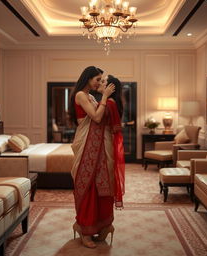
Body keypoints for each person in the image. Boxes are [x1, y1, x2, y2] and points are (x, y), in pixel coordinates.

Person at [69, 66, 125, 248]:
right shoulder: (80, 95)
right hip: (87, 146)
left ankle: (102, 225)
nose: (100, 83)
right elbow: (96, 117)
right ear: (88, 78)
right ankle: (84, 230)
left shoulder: (92, 97)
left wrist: (105, 98)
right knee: (86, 185)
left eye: (102, 80)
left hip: (99, 147)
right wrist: (105, 97)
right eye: (98, 79)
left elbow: (102, 118)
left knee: (102, 185)